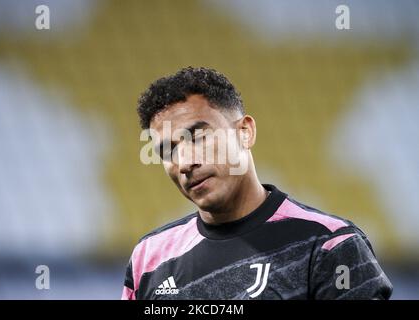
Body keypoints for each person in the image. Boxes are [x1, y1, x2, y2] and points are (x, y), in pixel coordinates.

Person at [121, 67, 393, 300]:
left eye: (199, 137)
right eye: (168, 151)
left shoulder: (330, 245)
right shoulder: (149, 260)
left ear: (245, 132)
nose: (185, 162)